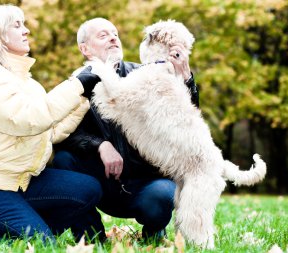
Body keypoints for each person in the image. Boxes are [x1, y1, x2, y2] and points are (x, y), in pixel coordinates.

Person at [0, 5, 105, 246]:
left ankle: (26, 223)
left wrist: (83, 98)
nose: (26, 31)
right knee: (41, 245)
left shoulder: (25, 81)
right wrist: (76, 85)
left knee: (88, 188)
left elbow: (49, 130)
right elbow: (28, 119)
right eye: (17, 25)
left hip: (20, 181)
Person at [52, 17, 199, 242]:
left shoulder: (146, 74)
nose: (113, 37)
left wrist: (186, 79)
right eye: (103, 35)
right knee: (63, 160)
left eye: (115, 34)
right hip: (100, 184)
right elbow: (62, 135)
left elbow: (185, 124)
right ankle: (91, 237)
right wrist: (100, 145)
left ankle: (153, 233)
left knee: (163, 195)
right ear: (85, 49)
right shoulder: (74, 87)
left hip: (146, 182)